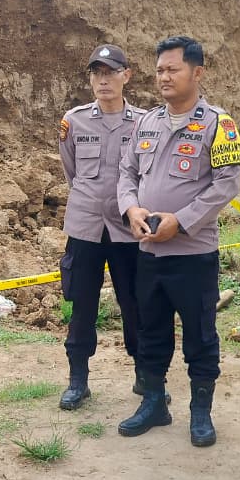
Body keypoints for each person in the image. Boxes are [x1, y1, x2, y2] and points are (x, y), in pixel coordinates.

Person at [117, 36, 240, 447]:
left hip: (193, 255)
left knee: (200, 336)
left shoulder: (218, 125)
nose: (164, 77)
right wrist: (131, 209)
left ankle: (201, 412)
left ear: (197, 72)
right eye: (159, 70)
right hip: (149, 253)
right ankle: (154, 403)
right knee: (150, 331)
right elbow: (127, 173)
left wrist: (182, 222)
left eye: (173, 69)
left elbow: (227, 184)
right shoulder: (146, 122)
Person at [56, 44, 150, 410]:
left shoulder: (144, 123)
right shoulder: (74, 121)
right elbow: (72, 172)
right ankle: (78, 380)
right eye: (96, 73)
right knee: (82, 306)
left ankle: (145, 376)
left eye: (110, 72)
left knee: (135, 305)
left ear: (127, 76)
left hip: (129, 231)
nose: (103, 80)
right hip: (85, 229)